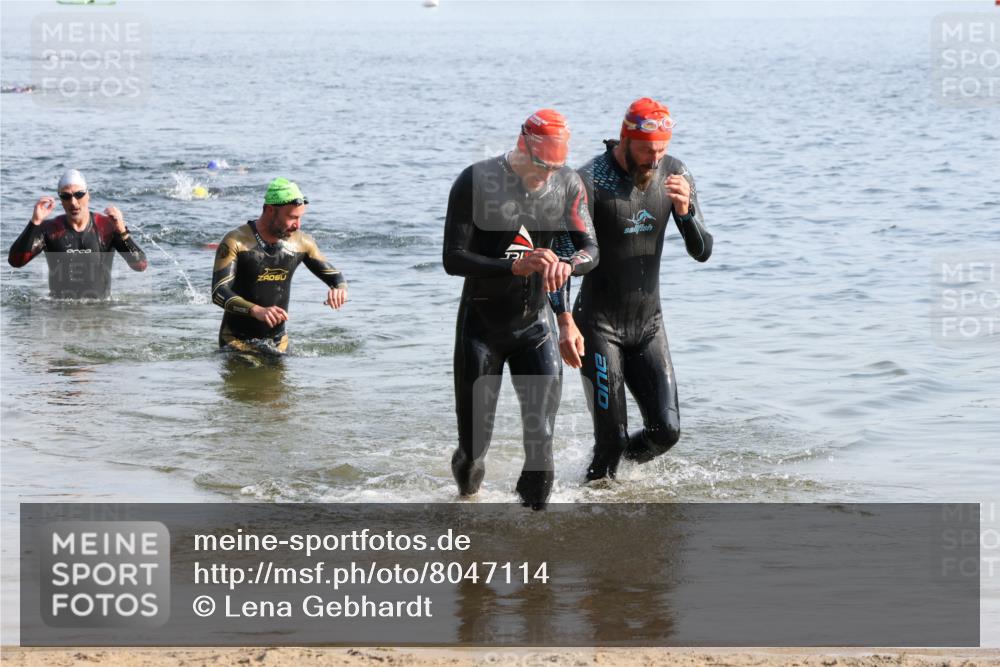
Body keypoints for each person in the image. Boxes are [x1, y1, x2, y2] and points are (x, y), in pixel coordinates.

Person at [443, 109, 599, 510]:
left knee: (541, 443)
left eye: (555, 167)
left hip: (536, 327)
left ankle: (535, 539)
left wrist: (569, 265)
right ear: (522, 145)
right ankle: (466, 502)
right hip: (482, 329)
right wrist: (513, 266)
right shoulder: (476, 181)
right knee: (475, 446)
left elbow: (591, 249)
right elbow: (453, 258)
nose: (547, 175)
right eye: (542, 166)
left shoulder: (567, 184)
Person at [560, 98, 713, 481]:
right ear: (625, 139)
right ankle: (597, 503)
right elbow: (562, 260)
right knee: (610, 439)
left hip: (649, 327)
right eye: (647, 150)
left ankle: (602, 482)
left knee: (667, 433)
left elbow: (703, 251)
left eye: (662, 149)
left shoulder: (675, 174)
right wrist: (563, 321)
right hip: (598, 326)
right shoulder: (588, 181)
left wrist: (686, 213)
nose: (655, 160)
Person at [211, 177, 347, 354]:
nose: (297, 225)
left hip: (278, 343)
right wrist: (256, 310)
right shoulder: (236, 241)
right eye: (292, 217)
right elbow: (219, 292)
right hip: (236, 341)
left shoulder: (302, 243)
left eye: (300, 218)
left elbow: (335, 276)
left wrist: (339, 288)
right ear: (270, 210)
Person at [8, 169, 148, 298]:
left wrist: (122, 231)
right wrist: (34, 222)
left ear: (88, 196)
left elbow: (140, 265)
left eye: (79, 194)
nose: (73, 202)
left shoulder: (106, 227)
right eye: (66, 196)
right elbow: (16, 261)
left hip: (100, 314)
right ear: (61, 201)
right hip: (60, 312)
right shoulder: (50, 230)